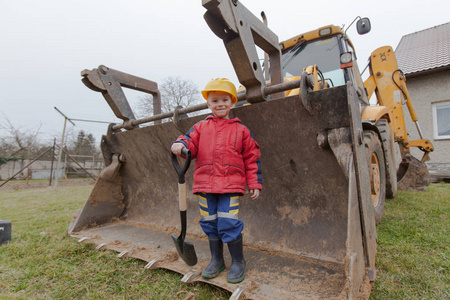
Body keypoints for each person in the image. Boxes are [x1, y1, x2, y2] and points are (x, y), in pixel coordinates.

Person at [171, 78, 262, 284]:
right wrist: (179, 144)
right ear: (208, 104)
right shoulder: (200, 127)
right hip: (205, 186)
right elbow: (188, 142)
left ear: (232, 102)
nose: (220, 104)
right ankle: (217, 260)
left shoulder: (242, 131)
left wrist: (254, 183)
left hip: (230, 187)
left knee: (228, 223)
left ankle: (238, 261)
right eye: (215, 100)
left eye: (224, 100)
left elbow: (252, 158)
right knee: (210, 223)